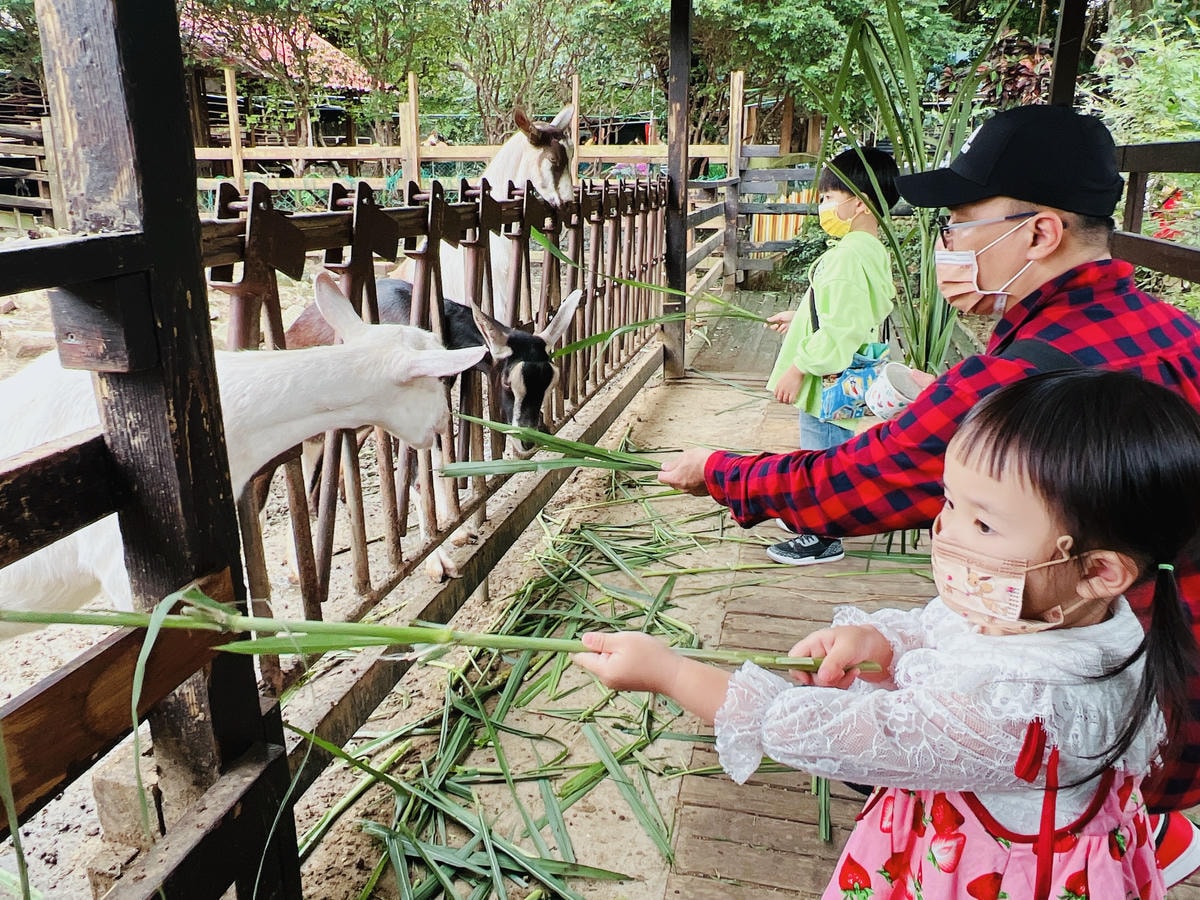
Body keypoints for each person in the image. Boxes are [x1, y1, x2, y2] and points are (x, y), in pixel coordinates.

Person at [655, 104, 1200, 881]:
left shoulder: (1018, 375)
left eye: (958, 222)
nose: (946, 244)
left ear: (1039, 233)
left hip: (1111, 674)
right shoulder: (1169, 329)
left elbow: (856, 481)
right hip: (1157, 651)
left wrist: (718, 471)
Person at [577, 370, 1200, 899]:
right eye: (950, 502)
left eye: (982, 525)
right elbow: (945, 633)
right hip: (965, 833)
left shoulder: (1030, 710)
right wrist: (882, 643)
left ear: (1099, 569)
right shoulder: (1065, 614)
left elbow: (860, 736)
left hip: (993, 873)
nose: (945, 531)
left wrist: (673, 674)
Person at [763, 147, 898, 567]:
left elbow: (840, 328)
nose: (822, 207)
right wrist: (800, 315)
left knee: (821, 455)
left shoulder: (846, 257)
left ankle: (822, 533)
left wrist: (798, 368)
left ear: (858, 203)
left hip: (827, 379)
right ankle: (817, 514)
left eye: (828, 198)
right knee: (832, 447)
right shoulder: (869, 249)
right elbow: (845, 311)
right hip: (846, 373)